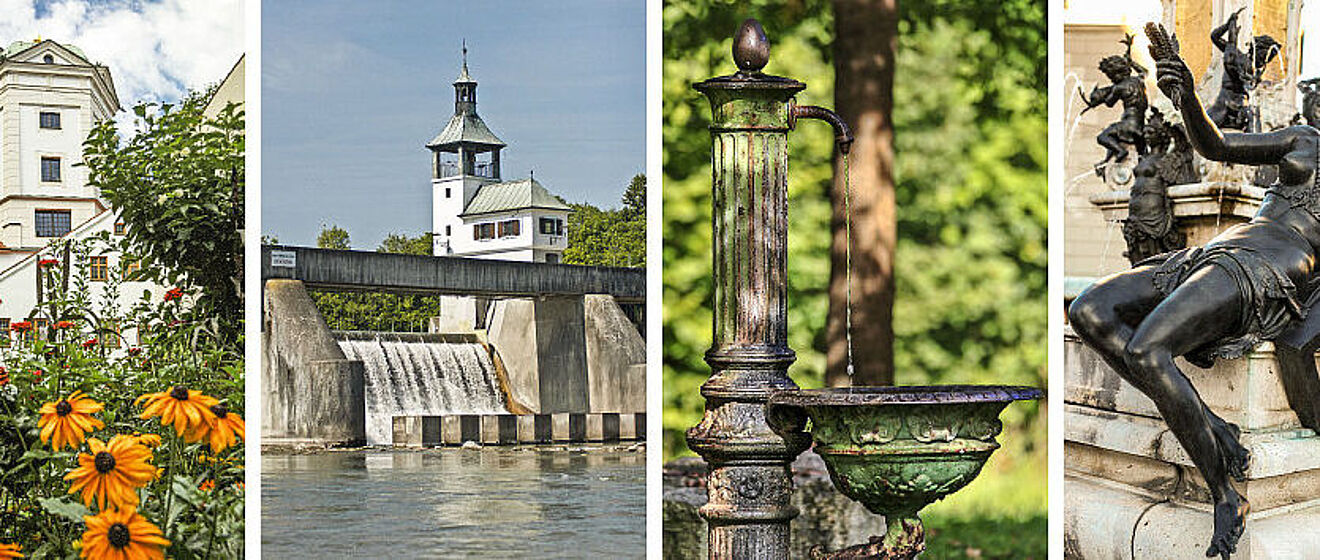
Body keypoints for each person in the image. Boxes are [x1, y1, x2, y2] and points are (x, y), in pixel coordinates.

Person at [1068, 23, 1319, 559]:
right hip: (1213, 251)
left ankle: (1224, 493)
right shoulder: (1306, 142)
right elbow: (1217, 143)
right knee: (1088, 309)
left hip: (1263, 268)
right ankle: (1213, 427)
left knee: (1146, 349)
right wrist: (1183, 97)